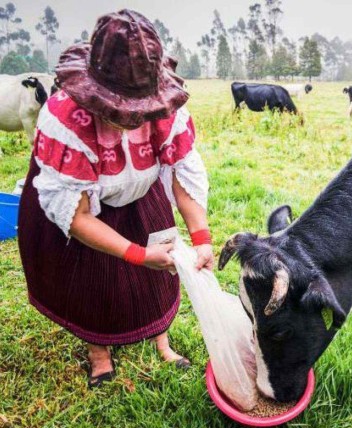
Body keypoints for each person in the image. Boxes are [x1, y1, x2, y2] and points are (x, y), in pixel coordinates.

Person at [17, 9, 214, 388]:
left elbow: (182, 173)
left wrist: (201, 236)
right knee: (94, 282)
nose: (134, 119)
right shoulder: (65, 120)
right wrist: (135, 254)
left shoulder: (165, 112)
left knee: (158, 274)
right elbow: (77, 217)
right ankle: (99, 353)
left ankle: (161, 340)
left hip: (141, 193)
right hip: (87, 205)